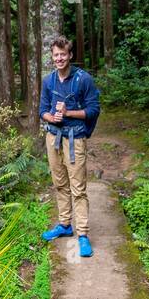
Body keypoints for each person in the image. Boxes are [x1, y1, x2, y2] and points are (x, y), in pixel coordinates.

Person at [38, 35, 100, 257]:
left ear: (70, 55)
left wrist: (68, 113)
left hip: (75, 138)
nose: (59, 58)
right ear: (52, 57)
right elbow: (42, 110)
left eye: (63, 54)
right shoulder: (48, 81)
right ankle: (65, 224)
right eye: (56, 55)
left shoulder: (83, 80)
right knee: (59, 183)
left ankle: (82, 234)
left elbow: (93, 110)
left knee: (78, 188)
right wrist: (50, 118)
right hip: (53, 137)